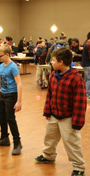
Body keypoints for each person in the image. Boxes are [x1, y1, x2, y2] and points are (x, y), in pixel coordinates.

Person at [35, 48, 86, 176]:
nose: (51, 62)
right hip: (54, 115)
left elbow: (80, 103)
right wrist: (47, 111)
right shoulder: (53, 75)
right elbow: (50, 95)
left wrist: (77, 123)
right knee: (49, 137)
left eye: (53, 60)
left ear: (61, 62)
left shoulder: (76, 79)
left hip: (68, 118)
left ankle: (79, 167)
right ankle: (48, 156)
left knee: (71, 142)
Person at [0, 45, 22, 155]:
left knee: (10, 118)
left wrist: (19, 101)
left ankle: (17, 143)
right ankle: (4, 138)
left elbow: (19, 84)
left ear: (7, 54)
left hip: (11, 95)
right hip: (3, 95)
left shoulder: (13, 67)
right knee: (1, 117)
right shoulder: (1, 66)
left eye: (0, 56)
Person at [81, 32, 90, 99]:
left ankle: (84, 93)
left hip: (85, 64)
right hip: (88, 64)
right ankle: (87, 94)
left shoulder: (86, 43)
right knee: (88, 79)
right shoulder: (89, 44)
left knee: (86, 79)